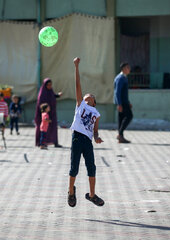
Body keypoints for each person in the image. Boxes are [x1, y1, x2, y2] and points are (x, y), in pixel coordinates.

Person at [68, 57, 104, 208]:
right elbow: (77, 85)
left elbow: (95, 131)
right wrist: (76, 66)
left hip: (87, 141)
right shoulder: (80, 105)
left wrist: (97, 137)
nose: (88, 96)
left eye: (91, 97)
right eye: (86, 96)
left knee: (92, 167)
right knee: (74, 167)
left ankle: (91, 195)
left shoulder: (95, 113)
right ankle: (71, 192)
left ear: (94, 102)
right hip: (77, 138)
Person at [34, 78, 63, 147]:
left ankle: (55, 142)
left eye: (51, 85)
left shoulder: (50, 91)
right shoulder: (42, 93)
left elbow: (52, 96)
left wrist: (57, 95)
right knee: (43, 129)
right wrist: (46, 109)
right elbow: (40, 104)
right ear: (45, 85)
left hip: (52, 113)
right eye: (48, 85)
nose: (50, 86)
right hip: (44, 114)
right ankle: (41, 143)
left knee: (53, 127)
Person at [114, 62, 133, 143]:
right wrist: (119, 104)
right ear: (123, 69)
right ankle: (120, 134)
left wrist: (128, 102)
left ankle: (121, 136)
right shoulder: (120, 78)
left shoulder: (124, 77)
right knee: (129, 116)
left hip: (124, 102)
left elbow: (123, 92)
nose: (129, 69)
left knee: (121, 119)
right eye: (127, 68)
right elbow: (117, 92)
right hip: (122, 103)